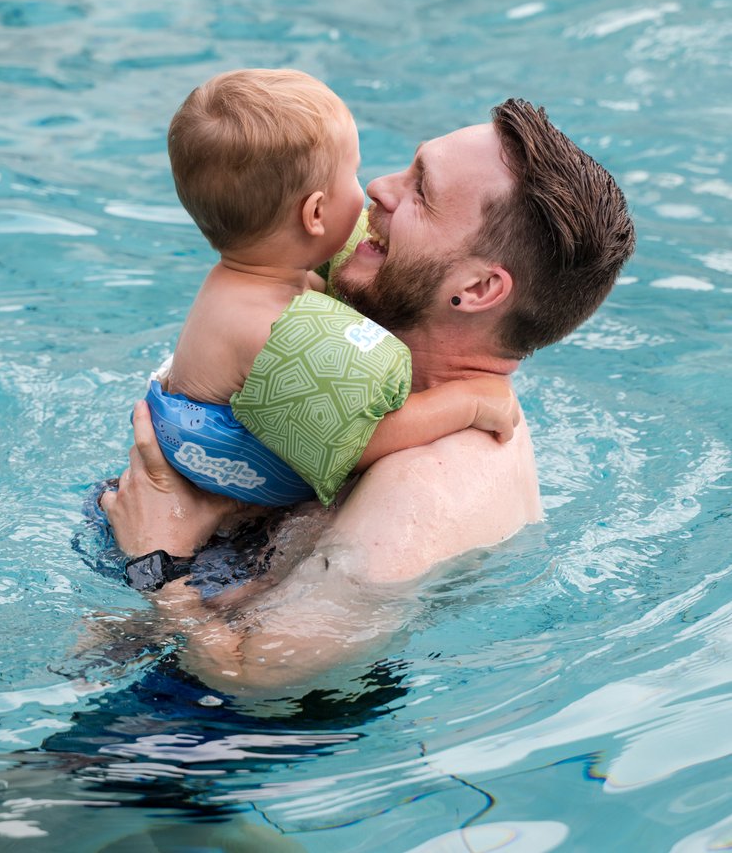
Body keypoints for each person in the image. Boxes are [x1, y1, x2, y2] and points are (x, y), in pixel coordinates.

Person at [103, 98, 635, 695]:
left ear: (479, 287)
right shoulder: (342, 357)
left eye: (421, 194)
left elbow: (251, 681)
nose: (380, 189)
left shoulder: (424, 491)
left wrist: (155, 561)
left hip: (205, 744)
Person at [147, 68, 518, 516]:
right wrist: (467, 401)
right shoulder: (273, 331)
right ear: (316, 213)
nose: (373, 190)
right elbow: (356, 443)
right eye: (354, 175)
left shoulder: (248, 282)